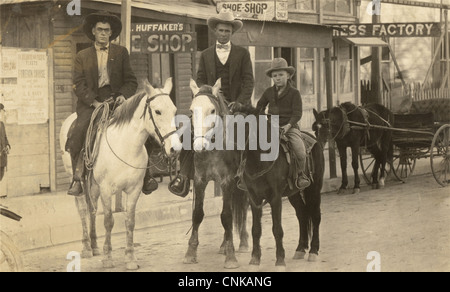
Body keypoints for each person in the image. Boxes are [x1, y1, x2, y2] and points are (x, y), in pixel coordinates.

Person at [67, 11, 156, 196]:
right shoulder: (82, 56)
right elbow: (78, 84)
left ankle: (147, 175)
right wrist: (93, 101)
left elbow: (131, 80)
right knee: (79, 131)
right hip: (90, 102)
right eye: (99, 29)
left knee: (143, 126)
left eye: (106, 30)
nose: (103, 33)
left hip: (117, 101)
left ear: (111, 33)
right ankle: (78, 177)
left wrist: (123, 95)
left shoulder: (121, 52)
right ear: (93, 31)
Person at [168, 10, 254, 197]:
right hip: (210, 104)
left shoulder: (243, 54)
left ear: (232, 33)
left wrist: (239, 103)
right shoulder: (206, 54)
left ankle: (246, 176)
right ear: (215, 31)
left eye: (227, 31)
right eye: (221, 30)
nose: (224, 34)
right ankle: (183, 177)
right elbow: (200, 80)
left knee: (251, 133)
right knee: (188, 130)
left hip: (235, 106)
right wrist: (204, 97)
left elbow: (249, 83)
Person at [256, 58, 310, 190]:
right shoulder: (269, 92)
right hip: (271, 126)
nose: (278, 78)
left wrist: (288, 126)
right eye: (275, 76)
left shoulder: (294, 93)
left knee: (300, 150)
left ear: (288, 75)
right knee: (252, 146)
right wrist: (262, 120)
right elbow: (259, 107)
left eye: (281, 75)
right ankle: (250, 176)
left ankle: (300, 175)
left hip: (289, 127)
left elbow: (297, 114)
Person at [0, 103, 11, 182]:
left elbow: (5, 137)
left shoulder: (1, 124)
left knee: (1, 174)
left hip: (2, 156)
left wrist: (7, 145)